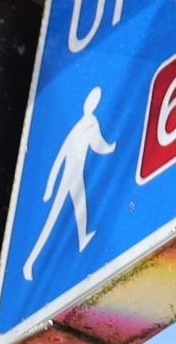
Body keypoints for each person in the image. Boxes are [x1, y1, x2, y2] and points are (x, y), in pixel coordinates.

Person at [21, 86, 118, 282]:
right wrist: (49, 188)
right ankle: (29, 263)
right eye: (92, 100)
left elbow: (97, 144)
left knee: (80, 206)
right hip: (69, 177)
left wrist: (110, 147)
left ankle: (82, 239)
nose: (91, 103)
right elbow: (61, 157)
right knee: (52, 218)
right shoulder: (85, 124)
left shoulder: (89, 123)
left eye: (94, 100)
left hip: (77, 176)